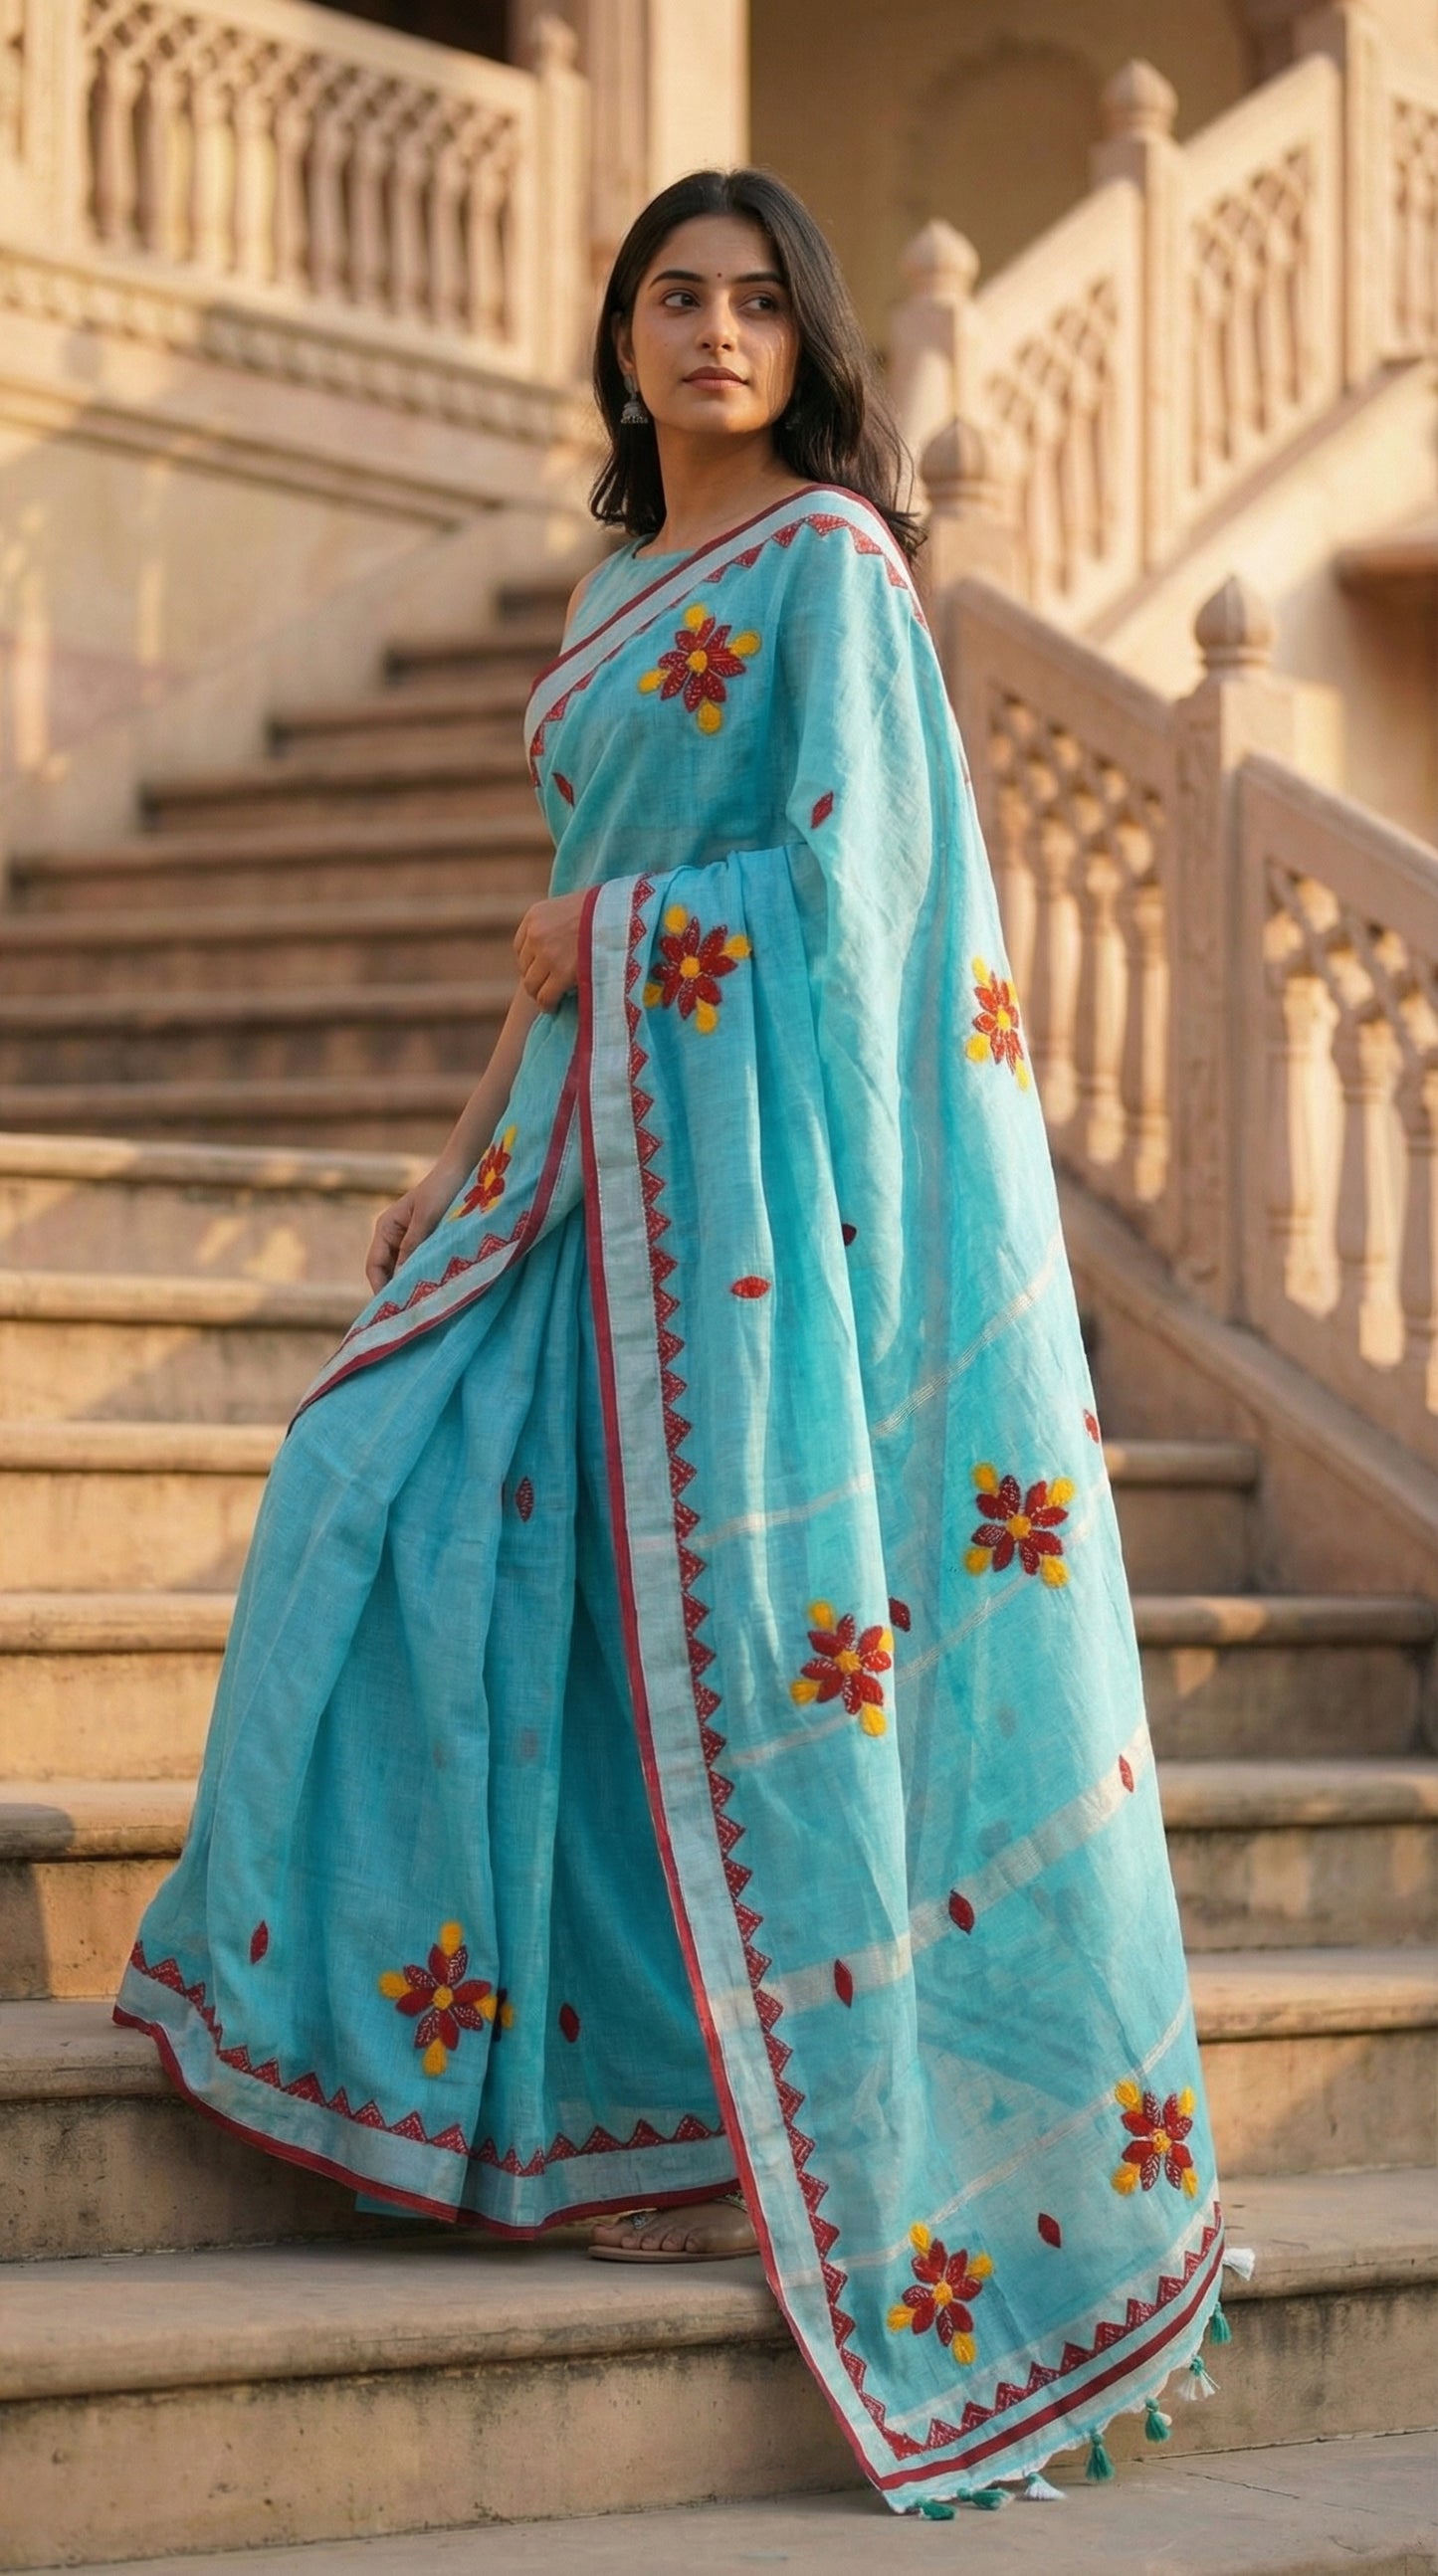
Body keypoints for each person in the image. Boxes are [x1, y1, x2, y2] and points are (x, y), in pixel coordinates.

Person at [115, 167, 1238, 2512]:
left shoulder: (832, 567)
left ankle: (734, 2125)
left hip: (739, 1208)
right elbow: (568, 924)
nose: (716, 330)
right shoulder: (613, 585)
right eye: (674, 297)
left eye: (754, 301)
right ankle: (491, 2081)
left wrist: (611, 946)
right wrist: (459, 1144)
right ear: (622, 340)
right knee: (382, 1505)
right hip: (573, 1160)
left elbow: (858, 895)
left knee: (697, 1645)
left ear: (806, 341)